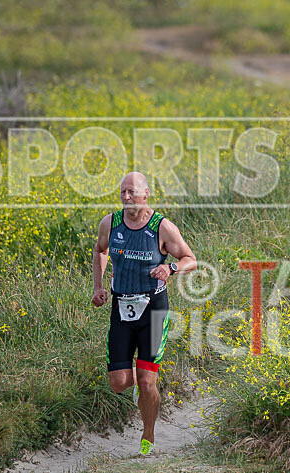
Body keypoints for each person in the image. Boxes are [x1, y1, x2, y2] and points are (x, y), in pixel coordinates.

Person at [91, 171, 197, 456]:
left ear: (146, 194)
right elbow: (100, 250)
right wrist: (99, 287)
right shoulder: (110, 223)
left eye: (132, 192)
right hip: (120, 308)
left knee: (149, 381)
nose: (126, 198)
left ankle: (147, 434)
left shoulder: (161, 227)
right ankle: (137, 381)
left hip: (153, 311)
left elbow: (190, 259)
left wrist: (171, 268)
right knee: (119, 382)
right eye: (122, 192)